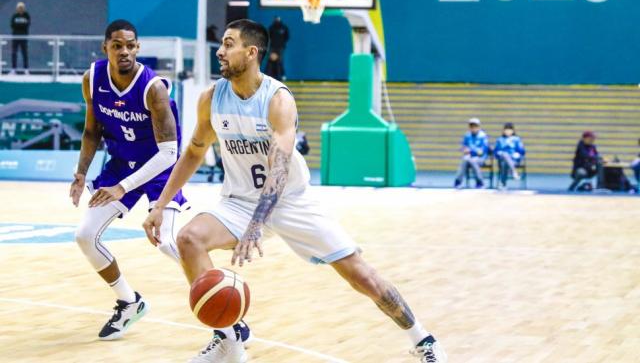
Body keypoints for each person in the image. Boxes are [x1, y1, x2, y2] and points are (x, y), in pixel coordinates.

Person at [142, 19, 447, 363]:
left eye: (228, 44)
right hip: (239, 202)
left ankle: (424, 340)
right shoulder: (211, 99)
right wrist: (160, 205)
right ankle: (229, 338)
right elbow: (194, 152)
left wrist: (257, 224)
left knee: (361, 276)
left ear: (251, 52)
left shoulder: (277, 100)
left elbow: (279, 168)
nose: (220, 52)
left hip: (291, 201)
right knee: (188, 239)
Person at [69, 19, 188, 340]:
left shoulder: (153, 88)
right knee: (85, 236)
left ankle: (221, 296)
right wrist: (81, 173)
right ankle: (129, 302)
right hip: (121, 164)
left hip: (159, 169)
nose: (124, 51)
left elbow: (169, 153)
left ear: (138, 48)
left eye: (130, 45)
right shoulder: (92, 79)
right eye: (117, 45)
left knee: (167, 243)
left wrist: (122, 188)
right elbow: (91, 131)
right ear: (105, 47)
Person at [453, 117, 489, 189]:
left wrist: (471, 151)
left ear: (479, 127)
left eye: (475, 126)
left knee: (473, 160)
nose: (473, 128)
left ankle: (480, 182)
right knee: (465, 159)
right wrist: (464, 149)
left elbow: (482, 151)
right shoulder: (467, 135)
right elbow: (463, 146)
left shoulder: (483, 136)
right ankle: (458, 182)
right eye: (471, 126)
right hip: (469, 157)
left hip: (480, 158)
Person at [493, 122, 526, 189]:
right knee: (504, 155)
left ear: (513, 131)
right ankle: (514, 171)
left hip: (514, 161)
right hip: (501, 160)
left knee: (505, 163)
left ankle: (503, 184)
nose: (508, 131)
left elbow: (522, 151)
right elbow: (495, 152)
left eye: (510, 129)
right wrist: (499, 153)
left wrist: (518, 154)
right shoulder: (500, 140)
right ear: (503, 131)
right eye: (506, 129)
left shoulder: (517, 139)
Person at [265, 16, 289, 81]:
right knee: (270, 62)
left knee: (280, 62)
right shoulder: (271, 28)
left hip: (280, 48)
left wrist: (282, 44)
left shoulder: (284, 28)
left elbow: (286, 37)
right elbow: (268, 37)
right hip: (272, 48)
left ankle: (281, 76)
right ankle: (268, 76)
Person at [10, 1, 30, 74]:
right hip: (15, 37)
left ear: (24, 8)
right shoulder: (14, 16)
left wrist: (19, 25)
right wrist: (20, 25)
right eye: (19, 8)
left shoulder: (26, 16)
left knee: (24, 53)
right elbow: (12, 25)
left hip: (23, 37)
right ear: (17, 8)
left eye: (22, 8)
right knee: (14, 53)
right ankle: (13, 69)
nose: (20, 9)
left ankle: (26, 69)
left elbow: (27, 25)